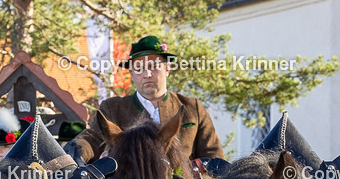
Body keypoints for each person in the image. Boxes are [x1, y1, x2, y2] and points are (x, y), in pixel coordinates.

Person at [68, 35, 225, 163]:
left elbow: (214, 157)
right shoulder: (113, 108)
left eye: (153, 67)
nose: (147, 74)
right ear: (131, 73)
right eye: (139, 68)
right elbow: (91, 139)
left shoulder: (192, 108)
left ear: (167, 69)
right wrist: (73, 152)